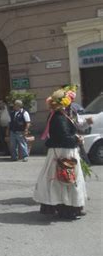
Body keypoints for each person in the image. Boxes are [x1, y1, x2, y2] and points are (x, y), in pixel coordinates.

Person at [34, 85, 87, 220]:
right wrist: (77, 139)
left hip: (62, 151)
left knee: (63, 180)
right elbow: (63, 138)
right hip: (64, 152)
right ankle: (67, 209)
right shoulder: (59, 117)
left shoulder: (59, 115)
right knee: (66, 180)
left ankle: (72, 207)